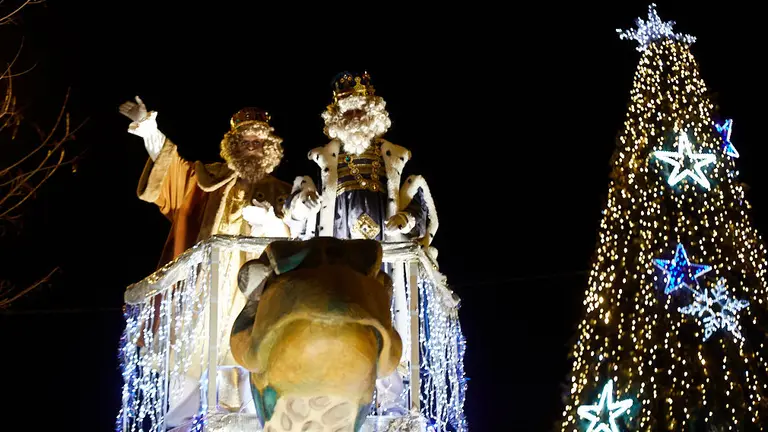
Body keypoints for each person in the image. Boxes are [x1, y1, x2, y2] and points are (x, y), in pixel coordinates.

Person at [119, 97, 320, 428]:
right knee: (190, 370)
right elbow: (171, 173)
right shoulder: (209, 180)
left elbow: (296, 239)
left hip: (256, 297)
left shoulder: (285, 192)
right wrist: (149, 129)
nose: (253, 146)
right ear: (234, 145)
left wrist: (271, 222)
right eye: (246, 140)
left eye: (259, 141)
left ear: (270, 147)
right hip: (206, 293)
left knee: (252, 368)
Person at [293, 71, 440, 415]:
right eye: (347, 112)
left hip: (384, 255)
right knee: (339, 321)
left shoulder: (393, 157)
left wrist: (407, 219)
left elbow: (417, 206)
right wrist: (306, 202)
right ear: (336, 117)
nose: (354, 117)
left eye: (360, 111)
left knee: (386, 322)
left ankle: (392, 406)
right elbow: (298, 205)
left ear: (374, 113)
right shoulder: (324, 158)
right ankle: (339, 402)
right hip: (339, 255)